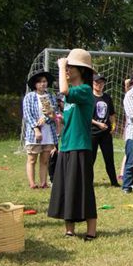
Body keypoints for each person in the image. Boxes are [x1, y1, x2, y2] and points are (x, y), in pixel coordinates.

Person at [47, 49, 97, 240]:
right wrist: (57, 119)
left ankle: (91, 231)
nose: (67, 70)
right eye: (66, 67)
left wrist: (60, 66)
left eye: (70, 67)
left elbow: (64, 90)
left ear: (81, 70)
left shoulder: (85, 90)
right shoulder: (71, 96)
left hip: (80, 147)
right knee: (66, 188)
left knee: (83, 189)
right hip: (67, 145)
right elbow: (71, 118)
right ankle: (70, 229)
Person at [23, 70, 58, 189]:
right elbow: (27, 115)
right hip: (34, 133)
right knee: (32, 159)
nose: (43, 84)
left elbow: (54, 113)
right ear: (35, 84)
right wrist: (36, 129)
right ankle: (32, 183)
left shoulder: (51, 96)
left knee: (45, 160)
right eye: (39, 82)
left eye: (44, 81)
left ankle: (43, 183)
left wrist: (46, 119)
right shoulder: (30, 97)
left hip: (48, 132)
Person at [90, 73, 119, 187]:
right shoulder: (89, 97)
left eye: (101, 82)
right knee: (91, 159)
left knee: (109, 158)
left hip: (106, 133)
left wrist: (113, 125)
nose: (99, 84)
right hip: (93, 132)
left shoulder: (107, 97)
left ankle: (114, 182)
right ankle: (88, 181)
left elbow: (112, 114)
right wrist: (98, 124)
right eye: (97, 82)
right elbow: (86, 116)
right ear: (92, 83)